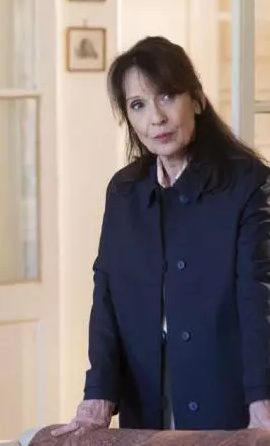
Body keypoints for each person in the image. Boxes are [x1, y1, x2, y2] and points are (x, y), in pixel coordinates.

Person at [54, 36, 270, 436]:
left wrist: (262, 400)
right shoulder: (124, 191)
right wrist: (98, 396)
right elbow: (107, 296)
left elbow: (259, 298)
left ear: (197, 99)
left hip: (226, 395)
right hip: (146, 399)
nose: (156, 118)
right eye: (138, 105)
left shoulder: (248, 183)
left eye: (167, 96)